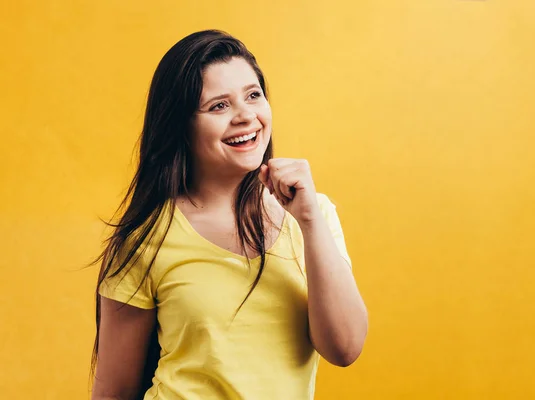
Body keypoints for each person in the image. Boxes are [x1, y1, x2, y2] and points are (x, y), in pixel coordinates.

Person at [90, 30, 368, 400]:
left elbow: (344, 348)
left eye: (253, 96)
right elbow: (114, 390)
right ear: (182, 127)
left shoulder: (314, 216)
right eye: (219, 106)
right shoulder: (147, 239)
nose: (245, 116)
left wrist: (310, 220)